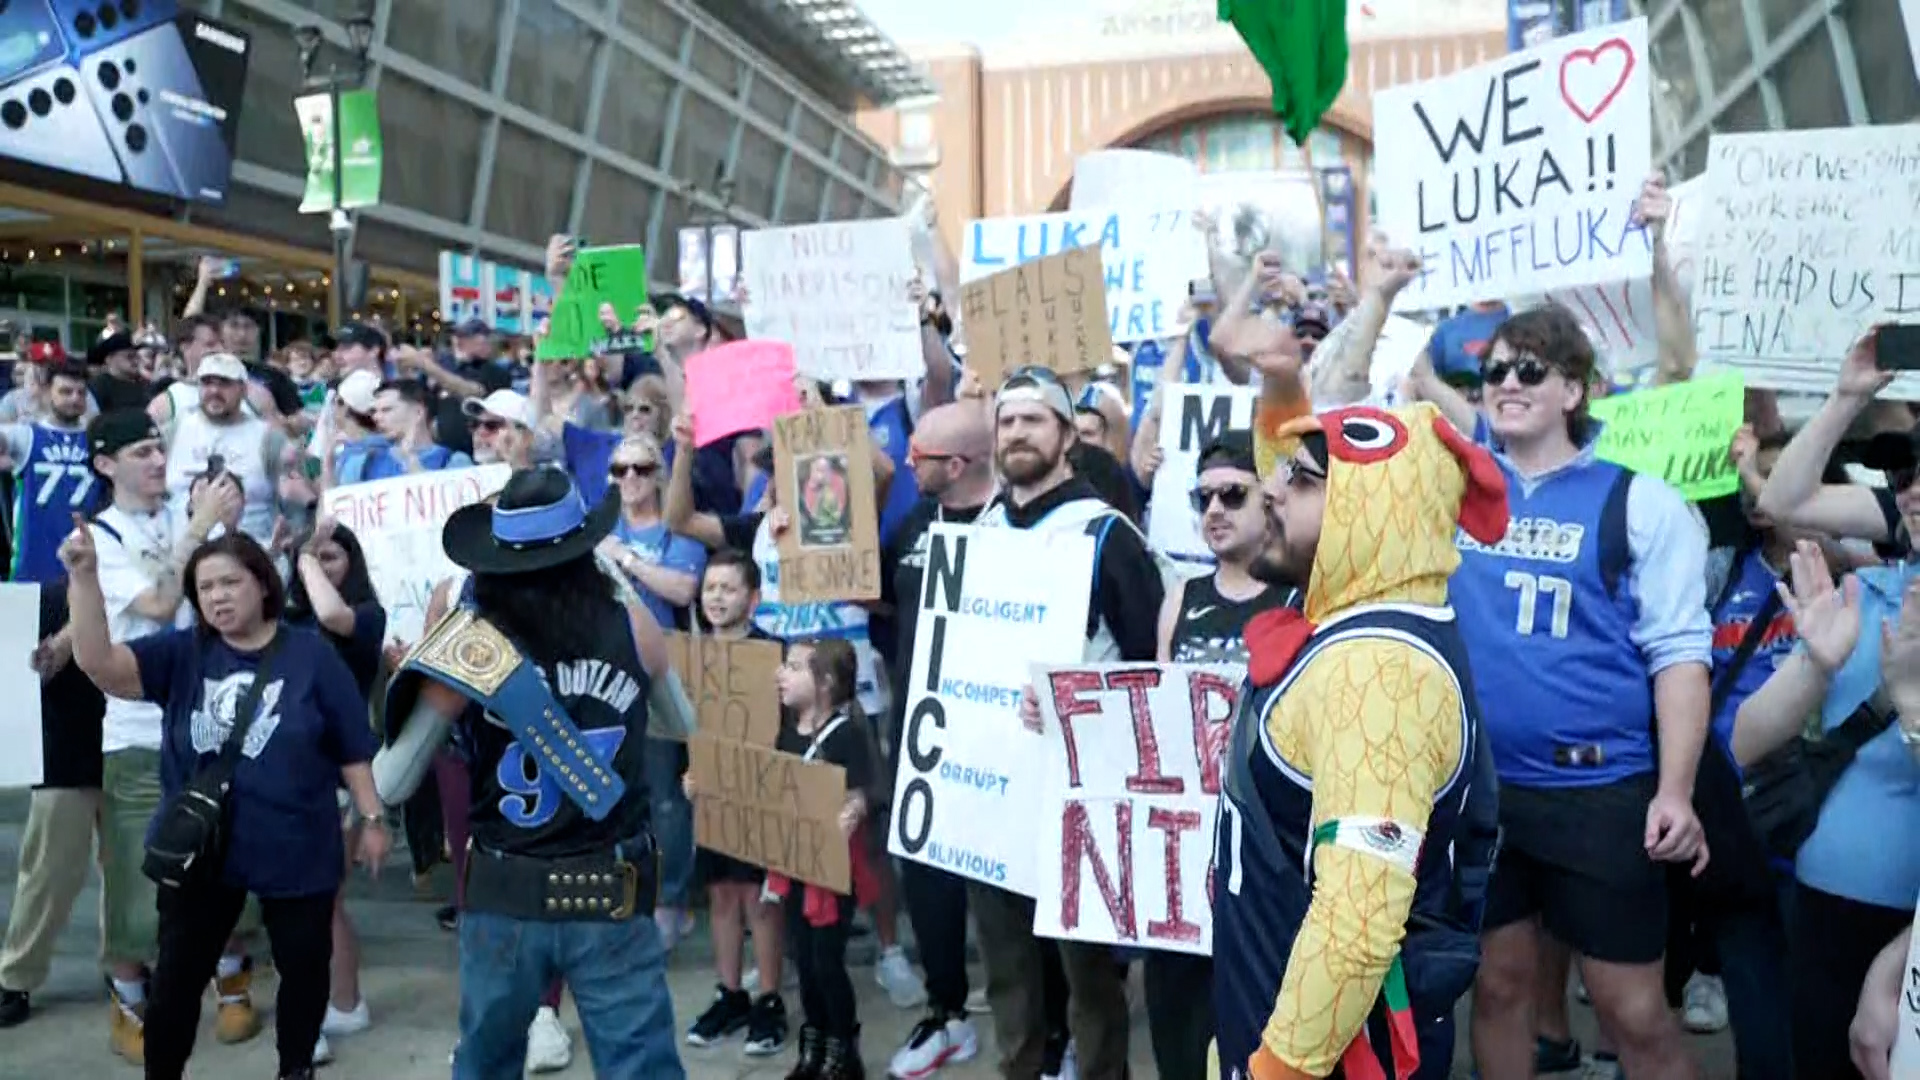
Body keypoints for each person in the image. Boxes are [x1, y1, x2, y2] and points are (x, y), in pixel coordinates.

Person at [1209, 399, 1509, 1080]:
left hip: (1323, 1060)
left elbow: (1356, 924)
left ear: (1374, 508)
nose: (1270, 490)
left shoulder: (1379, 674)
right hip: (1273, 1023)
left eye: (1304, 480)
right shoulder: (1351, 612)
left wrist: (1273, 1071)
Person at [373, 465, 685, 1080]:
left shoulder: (468, 644)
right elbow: (680, 723)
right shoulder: (635, 626)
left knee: (486, 1066)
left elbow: (391, 783)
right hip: (610, 890)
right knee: (641, 1068)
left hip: (506, 893)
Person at [61, 529, 386, 1080]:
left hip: (296, 842)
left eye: (230, 582)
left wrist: (372, 816)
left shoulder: (311, 654)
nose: (217, 596)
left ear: (262, 585)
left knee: (305, 970)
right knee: (177, 981)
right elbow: (98, 663)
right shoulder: (183, 653)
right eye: (205, 586)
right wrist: (85, 577)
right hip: (203, 848)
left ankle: (295, 1067)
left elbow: (352, 746)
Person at [993, 366, 1167, 1080]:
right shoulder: (980, 528)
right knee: (1008, 971)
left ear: (1067, 435)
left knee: (1088, 974)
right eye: (1006, 421)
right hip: (995, 783)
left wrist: (1078, 700)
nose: (1017, 433)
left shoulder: (1106, 533)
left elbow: (1150, 669)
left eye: (1033, 419)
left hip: (1080, 786)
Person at [1140, 431, 1293, 1080]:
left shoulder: (1298, 601)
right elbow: (1150, 716)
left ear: (1271, 502)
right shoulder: (1182, 598)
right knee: (1179, 1016)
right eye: (1202, 498)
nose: (1214, 511)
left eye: (1233, 494)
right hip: (1186, 847)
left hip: (1267, 852)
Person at [878, 403, 996, 1080]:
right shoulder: (917, 523)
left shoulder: (1014, 527)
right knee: (924, 873)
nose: (905, 461)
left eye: (917, 452)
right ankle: (946, 1011)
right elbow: (882, 599)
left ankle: (1054, 1027)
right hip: (920, 731)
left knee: (1006, 889)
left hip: (991, 732)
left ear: (955, 465)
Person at [597, 434, 706, 945]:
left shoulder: (676, 532)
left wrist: (629, 562)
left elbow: (685, 589)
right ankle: (631, 893)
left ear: (659, 475)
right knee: (619, 792)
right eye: (620, 470)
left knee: (665, 796)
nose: (630, 479)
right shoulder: (599, 531)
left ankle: (672, 899)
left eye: (641, 468)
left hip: (664, 677)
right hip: (608, 679)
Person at [759, 638, 881, 1080]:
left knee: (828, 962)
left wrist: (855, 809)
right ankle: (814, 1043)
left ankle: (844, 1050)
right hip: (794, 864)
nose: (781, 675)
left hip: (832, 870)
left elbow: (867, 789)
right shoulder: (787, 730)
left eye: (792, 667)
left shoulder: (846, 733)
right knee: (804, 960)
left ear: (825, 683)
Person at [287, 518, 389, 1046]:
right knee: (311, 899)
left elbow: (333, 613)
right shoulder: (283, 619)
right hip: (291, 773)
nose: (321, 566)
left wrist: (302, 554)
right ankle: (338, 1003)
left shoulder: (367, 615)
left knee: (320, 897)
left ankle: (336, 1005)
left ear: (353, 562)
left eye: (331, 557)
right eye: (314, 558)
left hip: (345, 776)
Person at [683, 551, 789, 1056]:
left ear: (754, 599)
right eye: (710, 588)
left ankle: (770, 999)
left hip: (762, 795)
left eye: (728, 588)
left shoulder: (774, 655)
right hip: (712, 795)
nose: (717, 597)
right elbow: (684, 726)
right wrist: (690, 772)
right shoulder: (692, 655)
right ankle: (731, 993)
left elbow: (789, 726)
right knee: (722, 895)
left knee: (759, 899)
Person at [0, 582, 108, 1028]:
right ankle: (15, 974)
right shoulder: (41, 586)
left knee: (128, 867)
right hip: (62, 735)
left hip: (136, 725)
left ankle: (126, 964)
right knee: (47, 867)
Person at [1, 361, 99, 583]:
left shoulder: (97, 439)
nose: (75, 398)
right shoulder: (27, 436)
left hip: (86, 564)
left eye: (81, 393)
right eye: (66, 391)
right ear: (46, 393)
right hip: (32, 564)